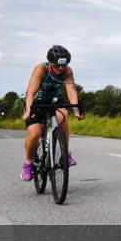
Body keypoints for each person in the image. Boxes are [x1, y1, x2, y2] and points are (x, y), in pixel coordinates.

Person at [20, 45, 84, 181]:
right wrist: (28, 111)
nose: (60, 69)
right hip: (36, 102)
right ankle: (28, 163)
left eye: (63, 65)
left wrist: (77, 110)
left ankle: (65, 154)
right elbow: (30, 93)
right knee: (35, 133)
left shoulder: (67, 71)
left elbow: (71, 90)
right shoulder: (41, 69)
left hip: (54, 100)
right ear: (49, 63)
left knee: (63, 116)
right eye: (56, 66)